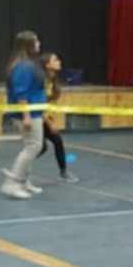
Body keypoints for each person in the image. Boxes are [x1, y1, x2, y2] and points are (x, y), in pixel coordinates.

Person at [1, 31, 48, 200]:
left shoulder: (29, 64)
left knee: (31, 146)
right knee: (33, 146)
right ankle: (12, 183)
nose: (39, 43)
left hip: (35, 112)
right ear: (29, 45)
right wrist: (26, 116)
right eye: (36, 41)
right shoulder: (23, 66)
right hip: (28, 114)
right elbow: (21, 93)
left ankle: (24, 182)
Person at [37, 52, 77, 184]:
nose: (59, 61)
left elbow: (48, 104)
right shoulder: (42, 81)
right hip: (36, 116)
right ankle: (19, 169)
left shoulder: (52, 80)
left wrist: (50, 118)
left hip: (44, 116)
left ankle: (63, 172)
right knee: (40, 147)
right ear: (47, 65)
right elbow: (39, 105)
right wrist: (49, 123)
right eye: (55, 60)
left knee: (56, 141)